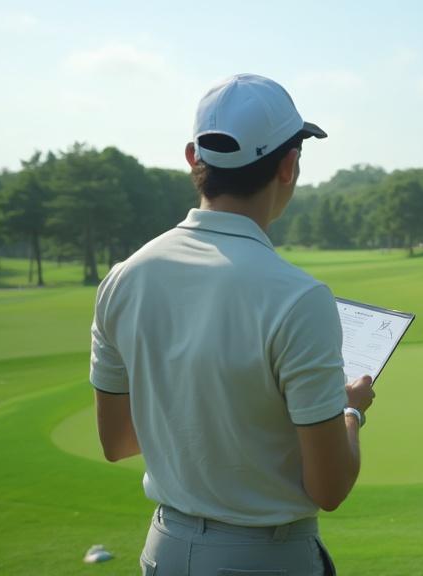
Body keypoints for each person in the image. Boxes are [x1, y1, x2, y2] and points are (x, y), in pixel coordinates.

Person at [90, 73, 374, 575]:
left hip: (164, 550)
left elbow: (118, 442)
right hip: (265, 559)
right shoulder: (299, 297)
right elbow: (329, 488)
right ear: (289, 166)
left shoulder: (122, 279)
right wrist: (349, 413)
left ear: (192, 159)